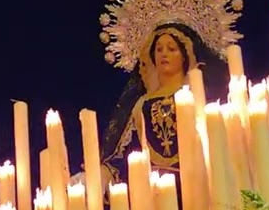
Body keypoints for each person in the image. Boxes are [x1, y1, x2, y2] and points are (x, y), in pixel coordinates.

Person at [98, 22, 229, 184]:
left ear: (184, 55)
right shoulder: (141, 104)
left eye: (171, 49)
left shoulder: (199, 96)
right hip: (154, 186)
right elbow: (128, 151)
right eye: (159, 50)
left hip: (198, 181)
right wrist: (105, 173)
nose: (164, 54)